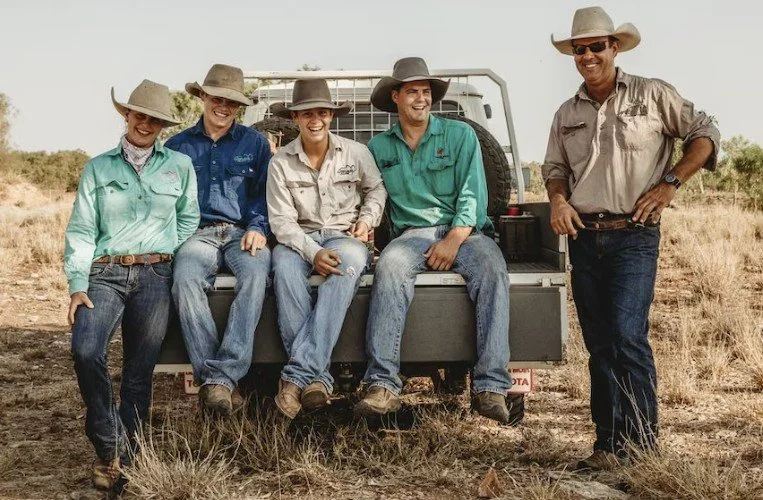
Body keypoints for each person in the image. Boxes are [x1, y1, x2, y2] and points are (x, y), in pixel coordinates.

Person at [543, 6, 720, 470]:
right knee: (599, 344)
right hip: (584, 238)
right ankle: (607, 446)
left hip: (634, 236)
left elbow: (704, 133)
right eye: (579, 50)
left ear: (614, 48)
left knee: (627, 337)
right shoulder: (566, 113)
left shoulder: (653, 94)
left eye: (596, 47)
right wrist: (558, 200)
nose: (587, 56)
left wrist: (670, 184)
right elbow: (555, 170)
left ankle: (641, 448)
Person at [355, 57, 513, 423]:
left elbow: (473, 195)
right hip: (410, 236)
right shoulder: (378, 148)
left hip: (465, 232)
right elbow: (370, 196)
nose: (422, 99)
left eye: (426, 92)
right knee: (391, 267)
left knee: (492, 267)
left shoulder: (461, 135)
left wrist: (454, 239)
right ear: (395, 97)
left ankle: (490, 386)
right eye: (412, 92)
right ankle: (383, 386)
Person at [64, 80, 199, 490]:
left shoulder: (179, 166)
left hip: (156, 276)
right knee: (86, 351)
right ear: (126, 115)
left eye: (154, 119)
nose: (145, 124)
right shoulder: (98, 167)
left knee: (139, 374)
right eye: (139, 114)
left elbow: (189, 219)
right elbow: (83, 229)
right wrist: (77, 283)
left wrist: (164, 252)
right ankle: (110, 445)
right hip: (105, 273)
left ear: (163, 125)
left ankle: (129, 465)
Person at [266, 79, 386, 419]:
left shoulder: (356, 152)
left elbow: (376, 189)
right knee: (285, 271)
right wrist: (311, 252)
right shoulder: (281, 163)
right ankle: (316, 378)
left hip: (344, 235)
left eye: (322, 112)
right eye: (307, 113)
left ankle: (298, 377)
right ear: (295, 117)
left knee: (345, 265)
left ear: (332, 116)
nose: (315, 120)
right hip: (298, 239)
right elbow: (281, 222)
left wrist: (367, 220)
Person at [165, 64, 272, 416]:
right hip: (197, 235)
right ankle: (218, 381)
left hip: (243, 232)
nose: (223, 106)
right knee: (184, 279)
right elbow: (168, 199)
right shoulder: (177, 146)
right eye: (217, 98)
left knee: (257, 275)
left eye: (232, 102)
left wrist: (258, 226)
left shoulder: (254, 143)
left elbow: (264, 195)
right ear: (203, 98)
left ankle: (220, 377)